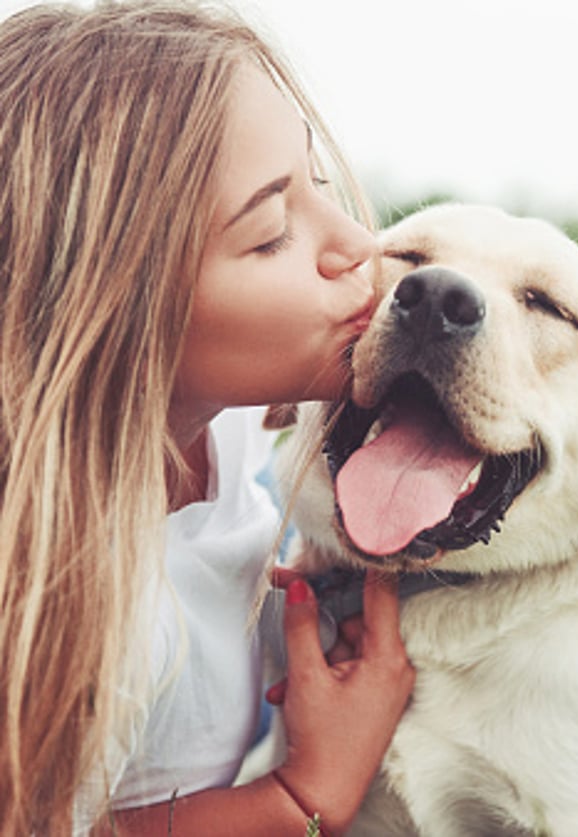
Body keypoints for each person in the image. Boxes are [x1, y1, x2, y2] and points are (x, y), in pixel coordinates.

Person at [0, 2, 415, 834]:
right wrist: (303, 794)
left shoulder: (219, 418)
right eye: (271, 234)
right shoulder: (79, 607)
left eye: (318, 182)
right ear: (118, 311)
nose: (357, 244)